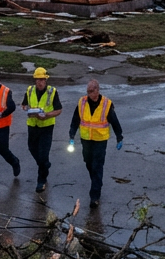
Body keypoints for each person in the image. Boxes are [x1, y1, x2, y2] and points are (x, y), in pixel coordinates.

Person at [67, 79, 123, 208]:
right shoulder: (82, 102)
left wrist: (119, 137)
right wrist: (71, 135)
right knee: (88, 163)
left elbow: (114, 121)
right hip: (86, 139)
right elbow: (75, 119)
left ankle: (94, 196)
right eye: (88, 91)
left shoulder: (106, 104)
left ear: (97, 90)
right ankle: (97, 182)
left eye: (92, 91)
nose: (89, 94)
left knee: (97, 166)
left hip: (100, 140)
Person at [21, 66, 62, 193]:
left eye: (42, 79)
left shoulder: (52, 91)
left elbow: (59, 110)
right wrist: (28, 110)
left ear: (46, 80)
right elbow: (23, 105)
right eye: (38, 79)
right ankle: (45, 165)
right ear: (35, 80)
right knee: (32, 149)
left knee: (43, 154)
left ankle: (41, 181)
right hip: (33, 126)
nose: (40, 82)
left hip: (46, 127)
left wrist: (47, 115)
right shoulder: (29, 90)